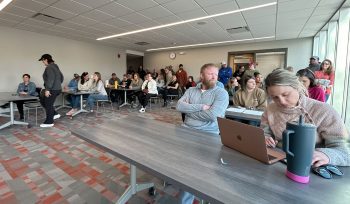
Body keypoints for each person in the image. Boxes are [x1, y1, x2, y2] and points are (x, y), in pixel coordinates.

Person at [262, 69, 350, 167]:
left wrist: (327, 155)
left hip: (310, 165)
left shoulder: (324, 111)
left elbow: (345, 152)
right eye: (275, 97)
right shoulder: (271, 108)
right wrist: (265, 138)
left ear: (298, 87)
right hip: (278, 161)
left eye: (285, 94)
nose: (281, 101)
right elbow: (265, 131)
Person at [176, 63, 229, 204]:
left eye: (216, 74)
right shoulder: (191, 90)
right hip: (186, 130)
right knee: (175, 162)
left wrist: (189, 112)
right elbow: (179, 106)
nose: (214, 77)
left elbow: (213, 115)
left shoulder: (221, 93)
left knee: (193, 170)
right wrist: (201, 107)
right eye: (210, 74)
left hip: (209, 134)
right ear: (201, 75)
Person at [38, 54, 63, 128]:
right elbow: (62, 77)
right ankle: (55, 113)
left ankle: (49, 122)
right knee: (43, 100)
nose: (43, 62)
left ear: (45, 59)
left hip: (52, 89)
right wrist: (58, 84)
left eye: (43, 61)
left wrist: (48, 89)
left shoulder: (49, 67)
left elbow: (50, 79)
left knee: (48, 105)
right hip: (57, 89)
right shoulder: (55, 66)